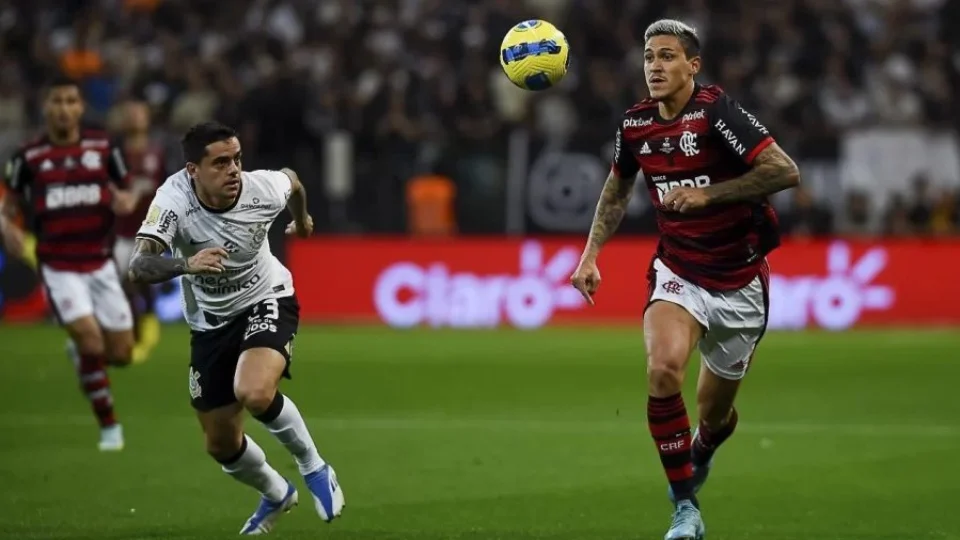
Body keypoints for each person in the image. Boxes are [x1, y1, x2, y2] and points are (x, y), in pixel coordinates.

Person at [569, 20, 800, 540]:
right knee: (662, 370)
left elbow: (785, 171)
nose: (655, 66)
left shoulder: (716, 112)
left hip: (739, 282)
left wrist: (710, 194)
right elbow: (616, 190)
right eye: (649, 57)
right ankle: (685, 509)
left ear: (692, 66)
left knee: (715, 415)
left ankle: (704, 447)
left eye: (668, 56)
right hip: (678, 271)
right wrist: (590, 255)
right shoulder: (634, 126)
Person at [127, 121, 344, 534]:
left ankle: (314, 467)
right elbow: (138, 265)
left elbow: (293, 182)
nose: (234, 170)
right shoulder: (173, 199)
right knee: (220, 443)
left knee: (254, 391)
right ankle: (277, 493)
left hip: (267, 297)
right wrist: (186, 264)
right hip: (209, 323)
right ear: (193, 170)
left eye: (237, 159)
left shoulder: (260, 189)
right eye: (221, 162)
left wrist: (302, 220)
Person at [0, 76, 141, 452]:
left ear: (80, 107)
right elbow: (8, 203)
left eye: (70, 101)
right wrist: (4, 226)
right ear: (46, 107)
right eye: (56, 101)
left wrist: (125, 200)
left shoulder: (103, 147)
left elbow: (125, 188)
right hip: (59, 267)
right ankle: (110, 428)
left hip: (100, 263)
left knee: (123, 354)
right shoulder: (27, 157)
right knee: (93, 341)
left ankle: (81, 354)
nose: (63, 108)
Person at [112, 99, 166, 362]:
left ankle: (144, 331)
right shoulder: (116, 155)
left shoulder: (157, 153)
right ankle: (130, 335)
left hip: (148, 233)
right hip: (119, 233)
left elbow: (168, 189)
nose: (134, 118)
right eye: (129, 113)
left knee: (135, 282)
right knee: (119, 288)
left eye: (139, 114)